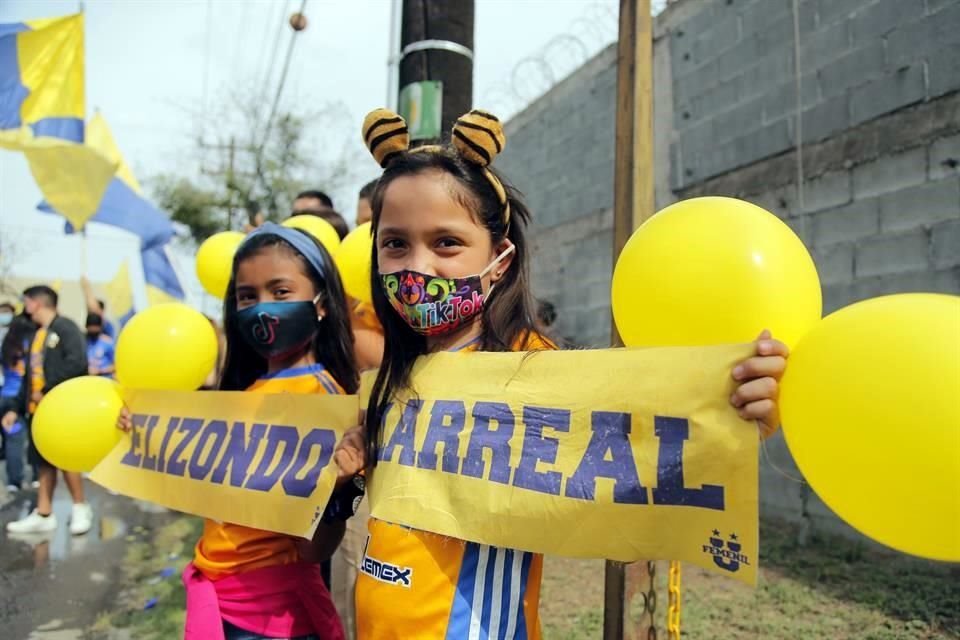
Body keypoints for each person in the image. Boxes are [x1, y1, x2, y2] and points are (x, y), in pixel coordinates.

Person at [334, 109, 788, 639]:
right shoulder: (397, 370)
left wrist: (734, 405)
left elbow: (643, 442)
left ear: (499, 260)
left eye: (447, 243)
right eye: (395, 243)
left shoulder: (531, 365)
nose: (419, 266)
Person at [121, 223, 359, 640]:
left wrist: (335, 491)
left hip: (271, 615)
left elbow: (313, 550)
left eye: (280, 291)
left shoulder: (327, 401)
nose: (262, 308)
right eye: (247, 296)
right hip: (219, 599)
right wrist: (148, 434)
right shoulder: (243, 393)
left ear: (321, 302)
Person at [4, 285, 92, 535]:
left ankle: (80, 507)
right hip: (37, 412)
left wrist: (48, 389)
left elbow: (77, 363)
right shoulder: (36, 335)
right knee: (42, 462)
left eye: (26, 301)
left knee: (66, 458)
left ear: (37, 303)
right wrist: (15, 408)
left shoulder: (66, 328)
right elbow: (29, 377)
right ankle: (43, 513)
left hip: (62, 409)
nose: (24, 306)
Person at [1, 314, 35, 492]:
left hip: (4, 394)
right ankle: (15, 481)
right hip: (19, 400)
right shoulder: (30, 345)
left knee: (8, 440)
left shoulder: (6, 345)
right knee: (16, 441)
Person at [85, 313, 116, 378]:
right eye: (91, 331)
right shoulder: (84, 341)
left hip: (105, 378)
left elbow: (116, 365)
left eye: (95, 331)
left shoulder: (108, 342)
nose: (93, 334)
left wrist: (100, 371)